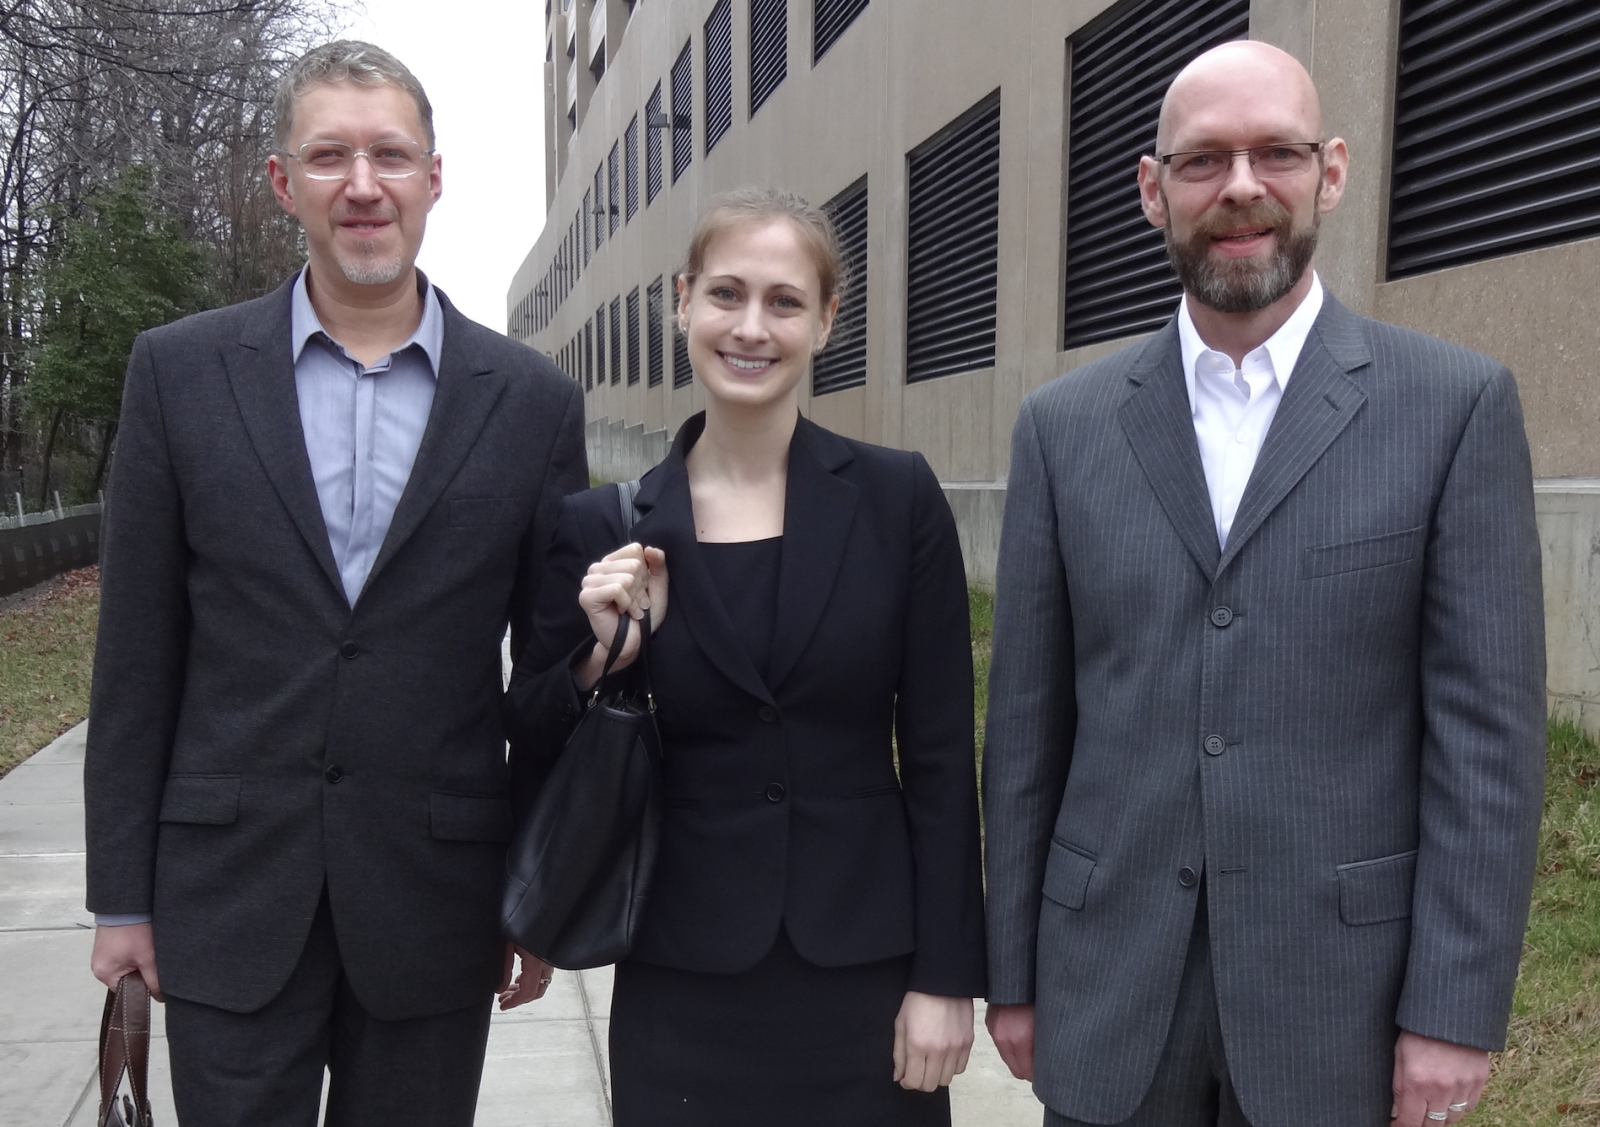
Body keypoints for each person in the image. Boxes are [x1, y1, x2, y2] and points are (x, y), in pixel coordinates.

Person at [981, 40, 1545, 1127]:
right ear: (1152, 190)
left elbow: (1487, 743)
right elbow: (1025, 727)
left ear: (1328, 172)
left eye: (1273, 153)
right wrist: (1014, 971)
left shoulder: (1453, 406)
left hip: (1342, 1005)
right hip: (1110, 993)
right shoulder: (1065, 429)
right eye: (1202, 161)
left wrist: (1455, 1007)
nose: (1241, 187)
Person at [82, 40, 587, 1126]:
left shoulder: (532, 401)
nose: (363, 185)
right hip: (225, 900)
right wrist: (120, 893)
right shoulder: (178, 372)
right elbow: (134, 656)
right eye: (330, 156)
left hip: (434, 906)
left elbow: (545, 678)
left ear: (434, 177)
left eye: (391, 155)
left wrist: (540, 888)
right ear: (284, 181)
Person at [506, 188, 987, 1126]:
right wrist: (598, 660)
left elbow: (937, 759)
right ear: (683, 301)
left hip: (865, 973)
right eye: (726, 294)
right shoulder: (602, 526)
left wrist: (945, 975)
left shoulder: (897, 501)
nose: (751, 327)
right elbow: (531, 735)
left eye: (784, 301)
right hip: (682, 969)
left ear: (826, 320)